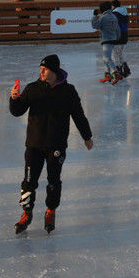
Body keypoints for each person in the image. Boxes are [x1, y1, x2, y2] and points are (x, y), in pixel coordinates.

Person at [8, 54, 94, 234]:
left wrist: (87, 136)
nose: (41, 71)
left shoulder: (68, 91)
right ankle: (27, 213)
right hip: (34, 145)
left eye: (44, 69)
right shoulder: (33, 88)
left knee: (53, 181)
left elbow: (78, 115)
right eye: (40, 69)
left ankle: (50, 211)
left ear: (54, 71)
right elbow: (17, 112)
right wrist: (14, 99)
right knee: (29, 181)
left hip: (56, 146)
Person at [90, 3, 122, 84]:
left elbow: (95, 26)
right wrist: (117, 38)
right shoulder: (114, 17)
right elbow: (118, 29)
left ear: (102, 9)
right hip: (113, 39)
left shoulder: (103, 17)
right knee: (105, 59)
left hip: (106, 39)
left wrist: (94, 16)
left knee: (107, 58)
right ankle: (107, 75)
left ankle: (116, 73)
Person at [109, 0, 131, 79]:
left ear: (113, 6)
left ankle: (118, 72)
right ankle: (125, 70)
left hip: (117, 36)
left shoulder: (115, 14)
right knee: (120, 53)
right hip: (124, 35)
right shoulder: (124, 13)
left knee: (115, 54)